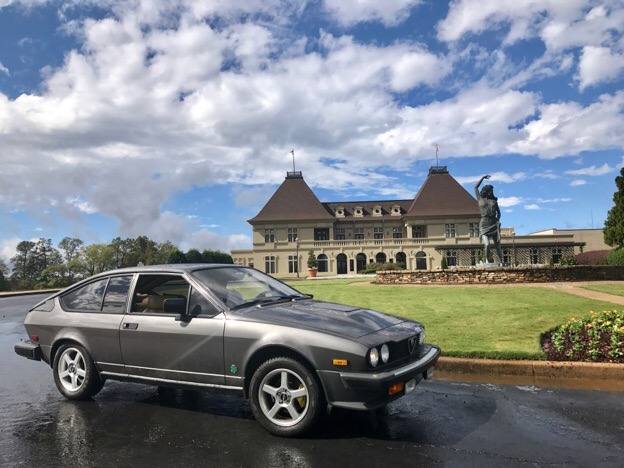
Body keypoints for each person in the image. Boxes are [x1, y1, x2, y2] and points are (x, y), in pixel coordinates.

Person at [474, 175, 503, 264]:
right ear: (486, 191)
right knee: (487, 244)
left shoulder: (494, 201)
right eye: (490, 191)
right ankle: (487, 260)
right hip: (484, 224)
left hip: (494, 223)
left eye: (492, 191)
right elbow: (475, 187)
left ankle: (501, 261)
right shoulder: (479, 199)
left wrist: (497, 220)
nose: (492, 192)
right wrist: (482, 178)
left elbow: (499, 213)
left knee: (498, 245)